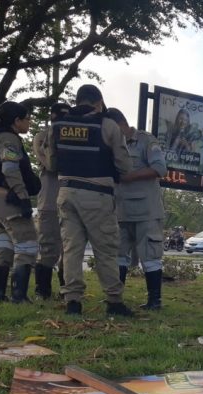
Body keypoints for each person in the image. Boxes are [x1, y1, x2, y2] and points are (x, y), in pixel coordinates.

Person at [49, 84, 132, 316]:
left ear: (77, 101)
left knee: (72, 248)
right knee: (105, 248)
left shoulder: (58, 126)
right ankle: (114, 301)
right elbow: (124, 165)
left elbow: (51, 162)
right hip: (97, 194)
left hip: (66, 192)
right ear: (98, 102)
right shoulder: (107, 125)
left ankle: (72, 301)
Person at [105, 108, 167, 310]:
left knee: (150, 256)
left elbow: (160, 169)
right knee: (119, 255)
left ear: (119, 124)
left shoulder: (146, 141)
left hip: (146, 211)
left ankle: (154, 301)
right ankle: (116, 299)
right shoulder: (111, 144)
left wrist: (126, 177)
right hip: (120, 210)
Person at [0, 101, 41, 303]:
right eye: (27, 118)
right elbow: (10, 169)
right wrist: (22, 196)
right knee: (27, 242)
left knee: (3, 243)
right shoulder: (8, 139)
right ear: (17, 121)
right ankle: (19, 295)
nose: (29, 122)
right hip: (7, 196)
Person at [32, 102, 70, 299]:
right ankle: (42, 291)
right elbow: (51, 164)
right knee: (48, 247)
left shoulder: (76, 137)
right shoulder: (42, 137)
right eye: (59, 116)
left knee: (70, 250)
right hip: (49, 199)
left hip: (72, 198)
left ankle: (67, 290)